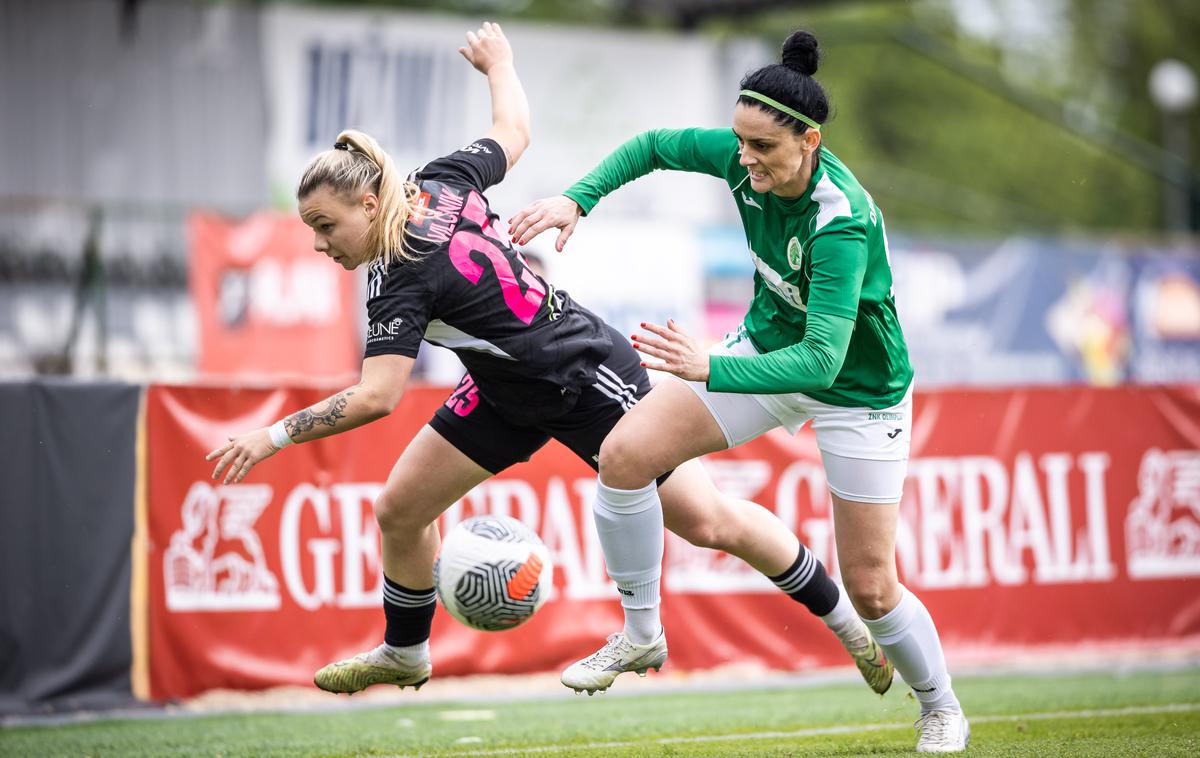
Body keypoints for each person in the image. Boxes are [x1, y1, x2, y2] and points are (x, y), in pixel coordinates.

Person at [206, 23, 891, 704]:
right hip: (506, 389)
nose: (321, 245)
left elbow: (375, 397)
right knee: (399, 510)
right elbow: (513, 131)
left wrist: (271, 436)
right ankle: (406, 652)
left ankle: (845, 622)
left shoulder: (403, 277)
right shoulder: (441, 180)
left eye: (326, 227)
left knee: (709, 522)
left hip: (583, 373)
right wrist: (500, 64)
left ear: (368, 202)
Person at [509, 30, 968, 754]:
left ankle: (940, 707)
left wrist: (708, 368)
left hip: (856, 391)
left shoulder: (838, 218)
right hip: (766, 349)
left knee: (874, 587)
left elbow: (821, 362)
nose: (745, 159)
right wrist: (578, 200)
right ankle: (640, 635)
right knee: (625, 455)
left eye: (763, 148)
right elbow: (653, 144)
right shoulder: (740, 154)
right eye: (740, 142)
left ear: (809, 141)